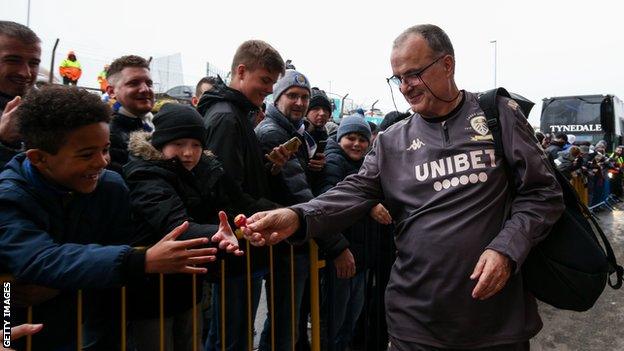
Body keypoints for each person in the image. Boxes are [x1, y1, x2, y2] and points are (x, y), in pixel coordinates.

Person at [243, 24, 564, 350]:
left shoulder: (497, 114)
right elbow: (353, 191)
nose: (406, 87)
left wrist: (507, 249)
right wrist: (297, 216)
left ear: (447, 64)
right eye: (398, 78)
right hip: (415, 325)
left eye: (414, 74)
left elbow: (543, 193)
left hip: (495, 325)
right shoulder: (392, 140)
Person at [0, 85, 232, 350]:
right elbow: (39, 259)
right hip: (14, 319)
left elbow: (114, 249)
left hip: (94, 318)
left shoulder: (110, 186)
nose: (102, 162)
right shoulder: (9, 196)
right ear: (39, 158)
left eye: (106, 149)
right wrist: (139, 260)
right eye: (87, 154)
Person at [123, 103, 244, 350]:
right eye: (179, 144)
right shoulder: (146, 175)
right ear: (160, 143)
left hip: (188, 287)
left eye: (196, 145)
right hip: (151, 293)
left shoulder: (205, 170)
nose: (188, 153)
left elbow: (228, 205)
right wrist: (218, 233)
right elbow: (176, 225)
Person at [196, 39, 289, 351]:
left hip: (245, 245)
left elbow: (238, 177)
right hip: (237, 250)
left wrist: (267, 167)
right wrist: (276, 211)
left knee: (231, 334)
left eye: (272, 84)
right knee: (231, 338)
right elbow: (225, 189)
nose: (268, 90)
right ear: (241, 71)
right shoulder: (225, 116)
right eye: (264, 80)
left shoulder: (239, 114)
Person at [254, 69, 338, 351]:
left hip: (291, 240)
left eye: (304, 97)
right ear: (277, 98)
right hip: (285, 243)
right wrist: (336, 244)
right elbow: (298, 192)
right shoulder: (273, 133)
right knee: (284, 327)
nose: (300, 103)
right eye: (292, 96)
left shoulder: (297, 134)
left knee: (285, 324)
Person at [317, 115, 372, 351]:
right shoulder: (332, 164)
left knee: (350, 321)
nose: (357, 144)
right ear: (340, 139)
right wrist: (338, 249)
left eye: (362, 139)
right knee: (334, 323)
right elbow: (325, 210)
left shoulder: (364, 166)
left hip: (359, 257)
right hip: (341, 257)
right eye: (351, 138)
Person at [0, 21, 41, 167]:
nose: (26, 73)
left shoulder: (48, 107)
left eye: (34, 63)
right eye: (13, 61)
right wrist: (5, 143)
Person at [106, 55, 155, 173]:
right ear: (112, 92)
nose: (145, 89)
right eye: (134, 83)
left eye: (149, 83)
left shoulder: (156, 124)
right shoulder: (109, 136)